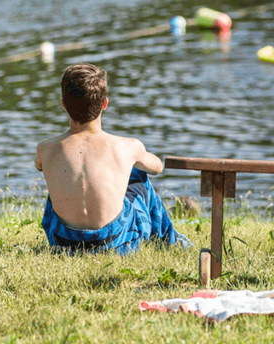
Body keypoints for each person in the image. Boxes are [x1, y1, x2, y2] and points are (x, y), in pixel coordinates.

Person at [36, 64, 190, 254]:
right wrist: (134, 160)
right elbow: (157, 167)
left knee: (59, 176)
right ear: (105, 103)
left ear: (63, 104)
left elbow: (39, 165)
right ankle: (172, 241)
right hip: (115, 243)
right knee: (137, 176)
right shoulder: (127, 147)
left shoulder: (45, 148)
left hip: (63, 243)